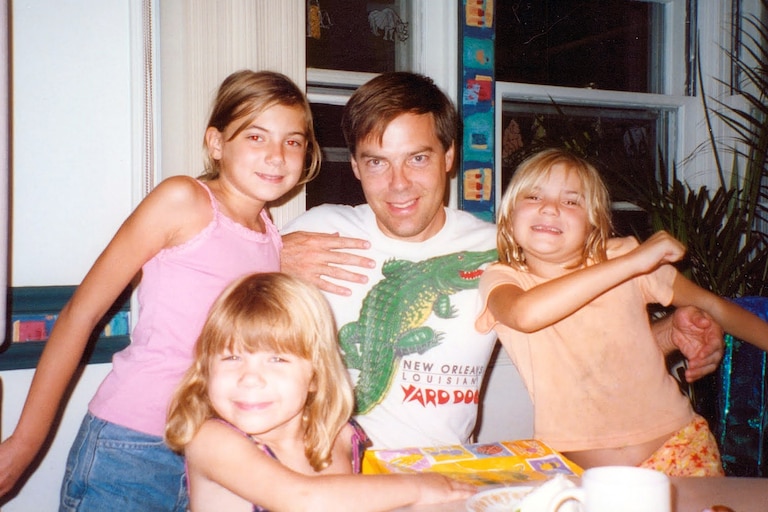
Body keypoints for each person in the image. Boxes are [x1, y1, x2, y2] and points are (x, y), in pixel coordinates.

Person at [280, 71, 725, 450]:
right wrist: (264, 254)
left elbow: (588, 344)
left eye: (417, 158)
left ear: (449, 156)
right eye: (377, 163)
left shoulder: (507, 249)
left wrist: (675, 332)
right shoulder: (317, 228)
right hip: (326, 463)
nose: (399, 184)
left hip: (438, 475)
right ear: (355, 166)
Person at [0, 70, 322, 511]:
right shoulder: (183, 200)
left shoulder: (268, 234)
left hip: (212, 453)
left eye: (293, 141)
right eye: (255, 136)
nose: (276, 155)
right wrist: (24, 443)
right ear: (216, 143)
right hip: (131, 448)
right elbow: (81, 313)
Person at [476, 148, 768, 476]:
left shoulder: (621, 257)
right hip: (592, 476)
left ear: (593, 224)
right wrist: (632, 264)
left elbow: (712, 305)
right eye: (533, 196)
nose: (550, 208)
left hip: (681, 448)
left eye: (571, 201)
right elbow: (524, 315)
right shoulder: (502, 278)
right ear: (508, 214)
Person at [165, 272, 475, 511]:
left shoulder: (339, 434)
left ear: (315, 375)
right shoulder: (212, 441)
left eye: (277, 359)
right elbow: (303, 499)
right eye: (232, 357)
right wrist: (418, 487)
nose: (250, 378)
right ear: (206, 369)